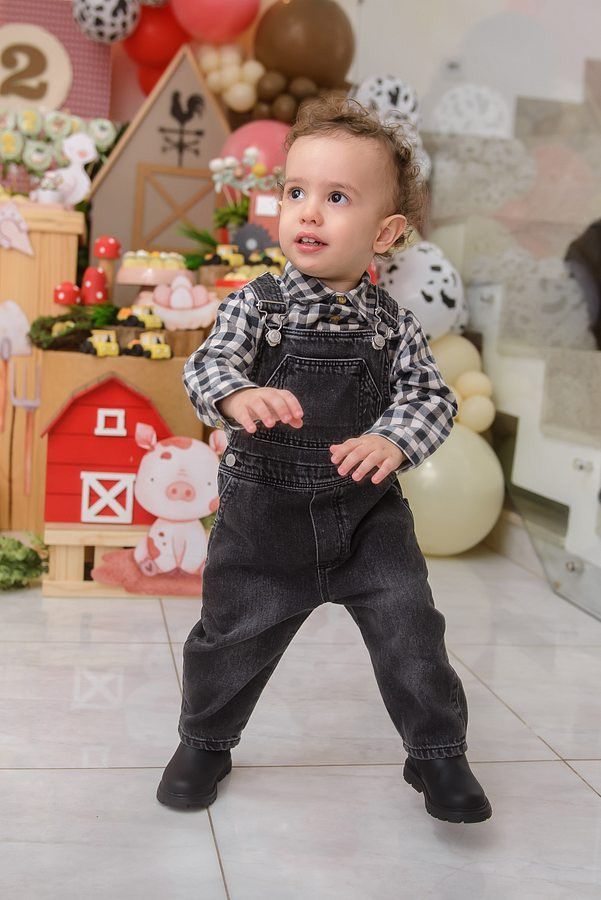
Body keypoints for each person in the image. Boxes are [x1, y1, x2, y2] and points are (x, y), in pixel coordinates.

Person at [157, 95, 492, 824]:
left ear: (385, 232)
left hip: (367, 520)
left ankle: (437, 753)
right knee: (230, 636)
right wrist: (238, 395)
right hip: (263, 519)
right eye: (295, 192)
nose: (308, 212)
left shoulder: (395, 327)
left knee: (411, 629)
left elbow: (431, 398)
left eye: (336, 197)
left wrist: (392, 438)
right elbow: (207, 364)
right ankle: (205, 741)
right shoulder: (257, 306)